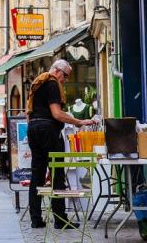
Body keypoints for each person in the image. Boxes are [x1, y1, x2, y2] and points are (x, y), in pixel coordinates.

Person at [27, 59, 95, 229]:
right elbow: (56, 114)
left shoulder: (38, 83)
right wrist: (78, 121)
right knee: (57, 173)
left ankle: (36, 219)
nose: (65, 79)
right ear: (57, 71)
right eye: (65, 75)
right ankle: (60, 219)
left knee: (37, 175)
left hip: (33, 128)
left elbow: (30, 112)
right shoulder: (51, 83)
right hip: (48, 131)